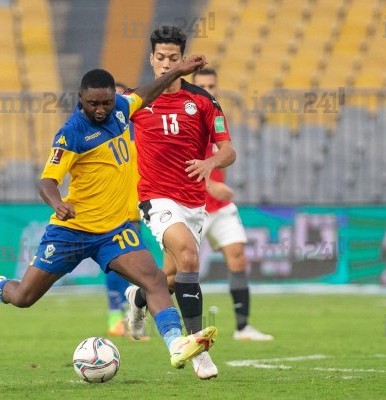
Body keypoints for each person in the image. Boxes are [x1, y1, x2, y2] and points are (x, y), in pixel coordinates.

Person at [0, 62, 218, 372]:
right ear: (80, 99)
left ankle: (176, 344)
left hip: (113, 231)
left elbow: (146, 93)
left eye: (106, 103)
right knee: (24, 297)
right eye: (93, 103)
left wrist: (176, 72)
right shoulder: (71, 134)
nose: (100, 110)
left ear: (114, 98)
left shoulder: (121, 109)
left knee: (154, 280)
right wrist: (57, 204)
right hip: (71, 231)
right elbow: (47, 181)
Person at [124, 26, 236, 380]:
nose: (166, 64)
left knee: (170, 279)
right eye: (161, 58)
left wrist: (210, 162)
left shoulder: (202, 101)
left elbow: (228, 150)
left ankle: (138, 299)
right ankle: (198, 350)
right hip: (155, 198)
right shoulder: (136, 100)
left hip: (193, 203)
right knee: (189, 255)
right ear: (151, 59)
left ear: (182, 59)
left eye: (173, 58)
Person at [192, 68, 274, 342]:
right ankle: (140, 298)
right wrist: (209, 185)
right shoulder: (186, 120)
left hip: (220, 207)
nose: (208, 91)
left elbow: (227, 153)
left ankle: (242, 327)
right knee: (174, 272)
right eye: (202, 86)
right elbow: (176, 164)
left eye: (212, 86)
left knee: (238, 256)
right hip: (192, 206)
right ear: (192, 89)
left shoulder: (217, 119)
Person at [103, 81, 138, 337]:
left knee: (137, 262)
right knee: (117, 262)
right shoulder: (98, 130)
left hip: (139, 204)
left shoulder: (139, 126)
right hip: (110, 205)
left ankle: (131, 313)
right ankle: (116, 314)